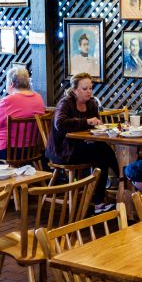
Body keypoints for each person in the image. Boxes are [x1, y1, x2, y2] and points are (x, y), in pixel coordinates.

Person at [46, 73, 118, 208]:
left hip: (82, 146)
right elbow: (60, 124)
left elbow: (95, 125)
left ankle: (100, 199)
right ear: (74, 90)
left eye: (91, 88)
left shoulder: (91, 104)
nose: (89, 91)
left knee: (102, 151)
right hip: (63, 150)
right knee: (102, 152)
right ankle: (122, 182)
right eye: (85, 89)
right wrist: (86, 121)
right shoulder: (66, 103)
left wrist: (97, 124)